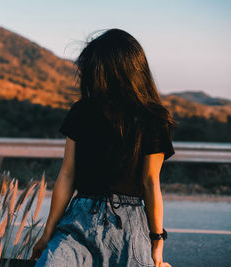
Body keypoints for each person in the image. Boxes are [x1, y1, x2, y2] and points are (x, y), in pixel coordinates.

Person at [30, 29, 176, 267]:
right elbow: (67, 175)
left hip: (128, 228)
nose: (91, 75)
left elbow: (151, 183)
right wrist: (47, 234)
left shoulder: (152, 119)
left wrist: (157, 242)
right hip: (79, 220)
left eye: (97, 69)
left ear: (119, 71)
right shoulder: (82, 111)